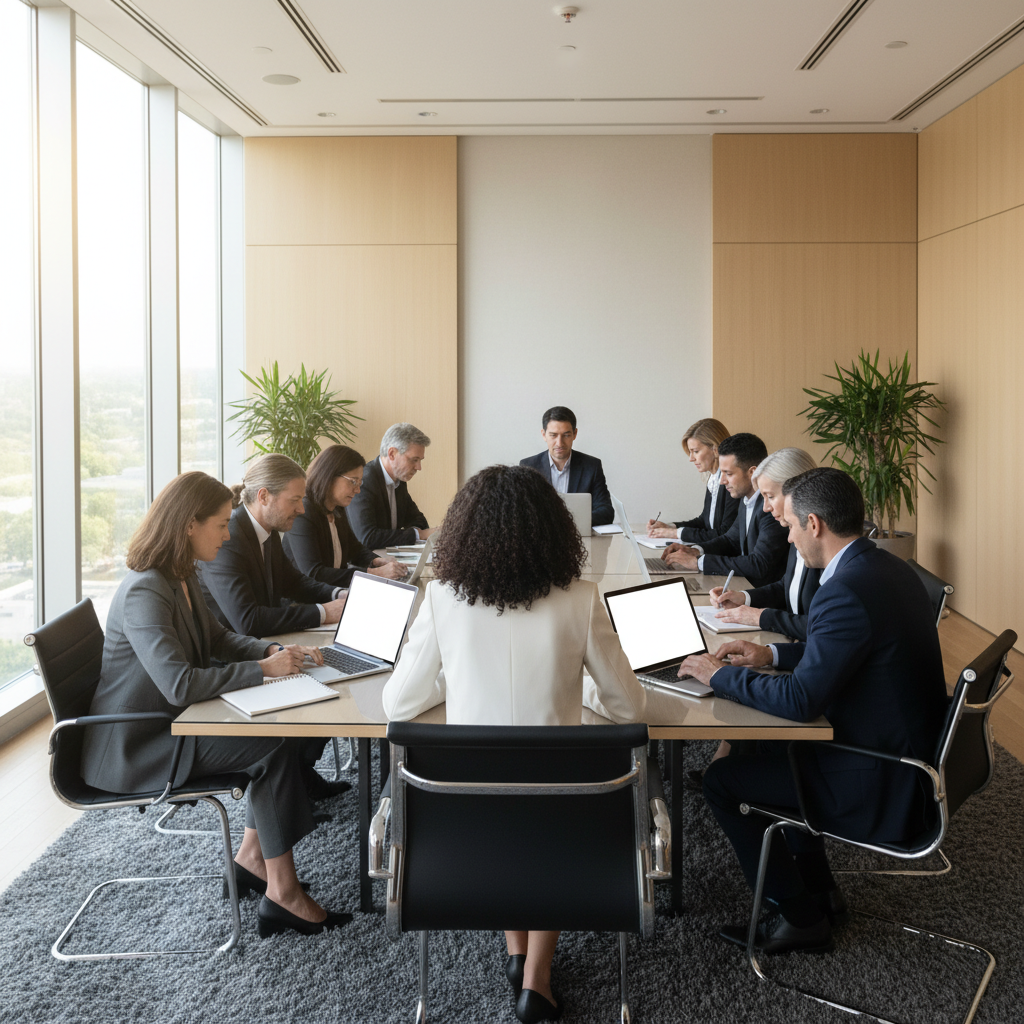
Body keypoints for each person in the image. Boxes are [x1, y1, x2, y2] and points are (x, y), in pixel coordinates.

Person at [382, 464, 647, 1024]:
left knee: (501, 786)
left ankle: (517, 951)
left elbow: (398, 705)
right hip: (566, 810)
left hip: (460, 813)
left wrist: (454, 684)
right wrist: (582, 697)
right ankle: (536, 980)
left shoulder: (443, 598)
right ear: (553, 530)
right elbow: (628, 707)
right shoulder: (580, 597)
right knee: (542, 805)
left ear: (463, 531)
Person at [677, 468, 948, 954]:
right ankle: (822, 890)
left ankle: (799, 916)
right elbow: (847, 651)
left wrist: (717, 677)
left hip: (882, 779)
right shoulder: (884, 568)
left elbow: (802, 702)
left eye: (791, 526)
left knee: (722, 781)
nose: (788, 535)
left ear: (815, 523)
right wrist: (770, 655)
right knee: (769, 742)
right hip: (906, 754)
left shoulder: (844, 590)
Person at [80, 472, 351, 938]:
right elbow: (180, 685)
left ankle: (251, 860)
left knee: (277, 737)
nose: (228, 535)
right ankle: (283, 895)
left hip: (173, 724)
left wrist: (265, 652)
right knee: (269, 746)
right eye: (222, 525)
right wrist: (264, 672)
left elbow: (217, 637)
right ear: (189, 524)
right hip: (140, 743)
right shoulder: (146, 588)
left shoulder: (179, 574)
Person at [198, 453, 347, 638]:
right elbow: (249, 621)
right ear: (264, 496)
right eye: (294, 500)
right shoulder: (228, 539)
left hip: (266, 646)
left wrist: (338, 594)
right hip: (233, 659)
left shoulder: (268, 529)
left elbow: (293, 582)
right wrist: (323, 613)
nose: (301, 509)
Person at [707, 447, 821, 640]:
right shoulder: (796, 531)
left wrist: (760, 616)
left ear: (798, 492)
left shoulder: (821, 543)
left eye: (770, 496)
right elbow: (787, 585)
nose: (766, 507)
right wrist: (744, 598)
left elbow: (820, 626)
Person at [660, 432, 788, 589]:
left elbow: (758, 563)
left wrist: (699, 562)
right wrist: (695, 550)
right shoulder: (747, 498)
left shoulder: (770, 508)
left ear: (752, 472)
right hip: (742, 587)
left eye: (728, 473)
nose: (722, 481)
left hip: (761, 596)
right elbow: (730, 540)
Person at [283, 444, 410, 587]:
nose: (357, 490)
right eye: (353, 482)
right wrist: (375, 574)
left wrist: (377, 561)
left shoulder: (337, 508)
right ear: (329, 475)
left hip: (336, 592)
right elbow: (315, 573)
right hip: (307, 602)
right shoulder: (304, 512)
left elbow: (355, 550)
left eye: (359, 483)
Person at [646, 417, 740, 543]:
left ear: (715, 449)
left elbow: (724, 532)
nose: (691, 458)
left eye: (695, 451)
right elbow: (704, 522)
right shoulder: (712, 478)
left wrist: (676, 534)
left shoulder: (731, 483)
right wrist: (671, 527)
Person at [519, 406, 614, 527]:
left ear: (575, 434)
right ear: (544, 435)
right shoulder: (528, 467)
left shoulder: (592, 466)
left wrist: (568, 522)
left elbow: (606, 511)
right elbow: (520, 512)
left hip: (579, 538)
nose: (559, 443)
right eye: (553, 435)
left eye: (566, 435)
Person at [346, 422, 434, 549]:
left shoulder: (399, 480)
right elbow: (367, 537)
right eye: (414, 460)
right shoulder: (365, 481)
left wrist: (418, 533)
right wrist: (418, 534)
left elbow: (419, 520)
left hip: (390, 558)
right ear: (392, 454)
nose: (418, 467)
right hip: (367, 565)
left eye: (420, 460)